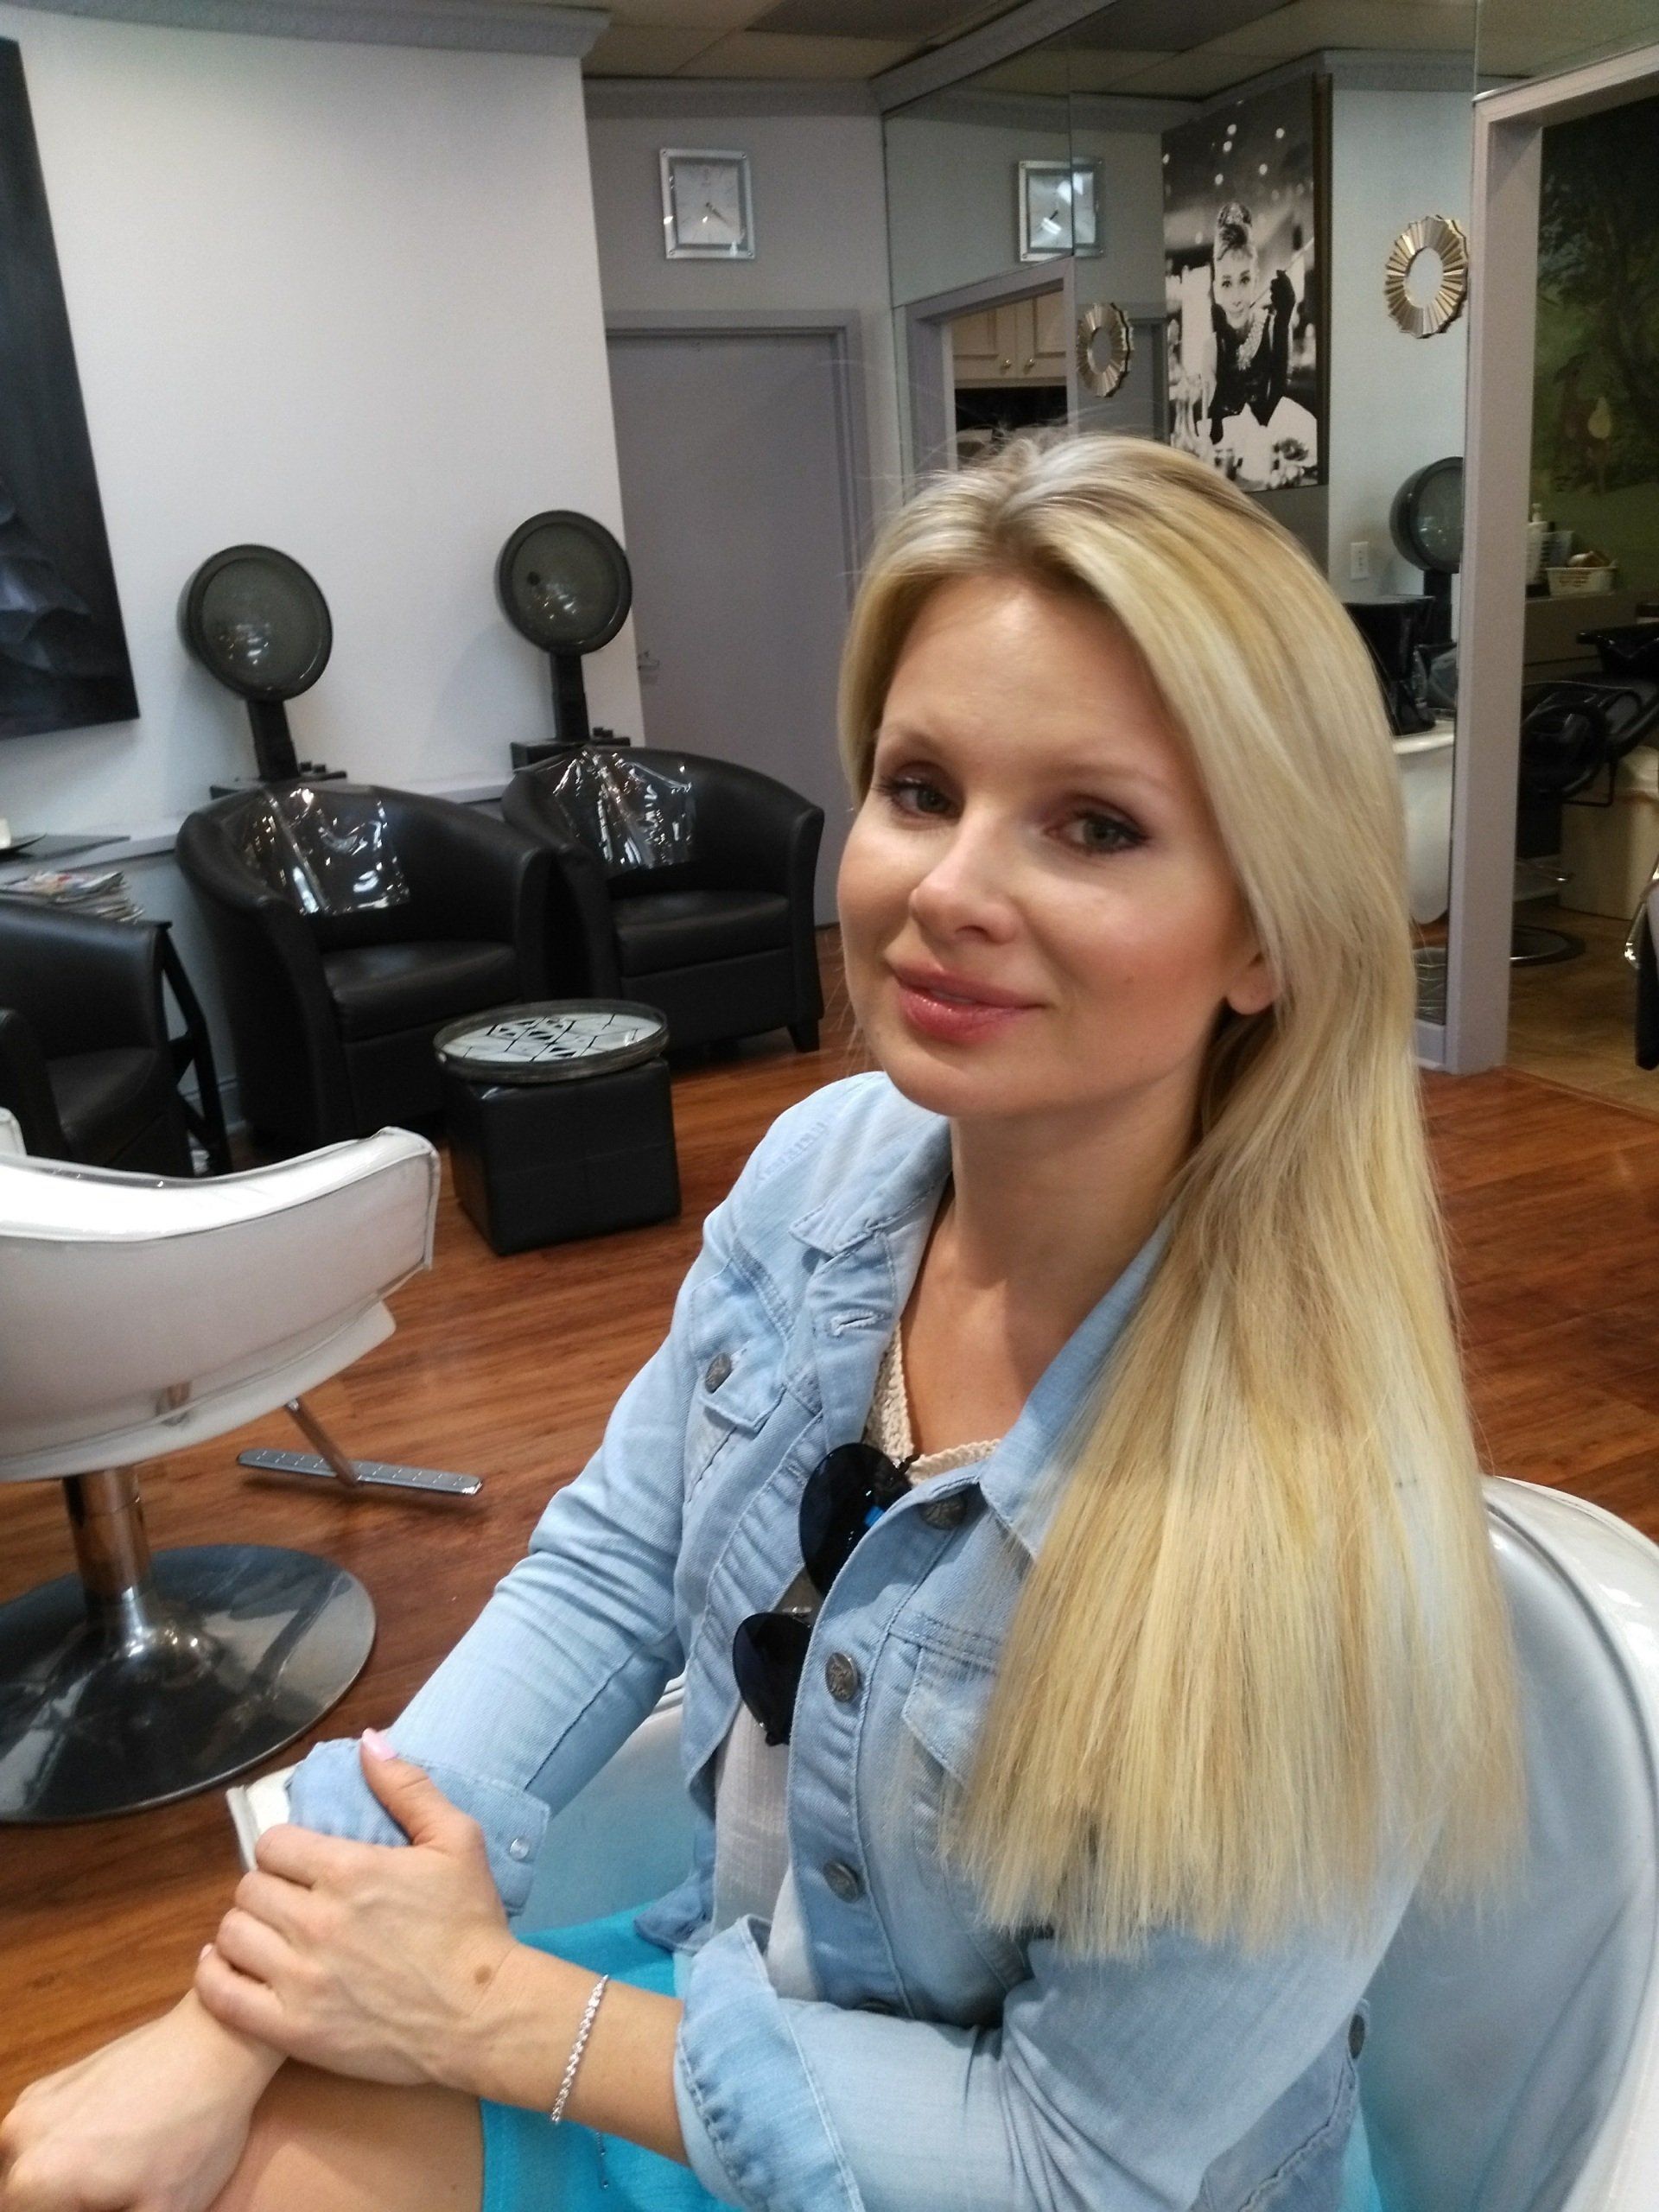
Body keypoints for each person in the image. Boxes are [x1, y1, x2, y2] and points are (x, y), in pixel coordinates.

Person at [0, 431, 1523, 2212]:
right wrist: (234, 2019)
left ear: (1265, 934)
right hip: (746, 2017)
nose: (948, 888)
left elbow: (1075, 2162)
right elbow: (599, 1580)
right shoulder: (823, 1176)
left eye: (1094, 825)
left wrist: (491, 2011)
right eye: (920, 787)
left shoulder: (1327, 1544)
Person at [1206, 200, 1298, 453]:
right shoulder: (1211, 347)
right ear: (1216, 289)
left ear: (1256, 280)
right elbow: (1211, 431)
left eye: (1244, 280)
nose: (1236, 297)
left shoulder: (1275, 329)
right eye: (1227, 283)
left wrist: (1282, 324)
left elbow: (1279, 411)